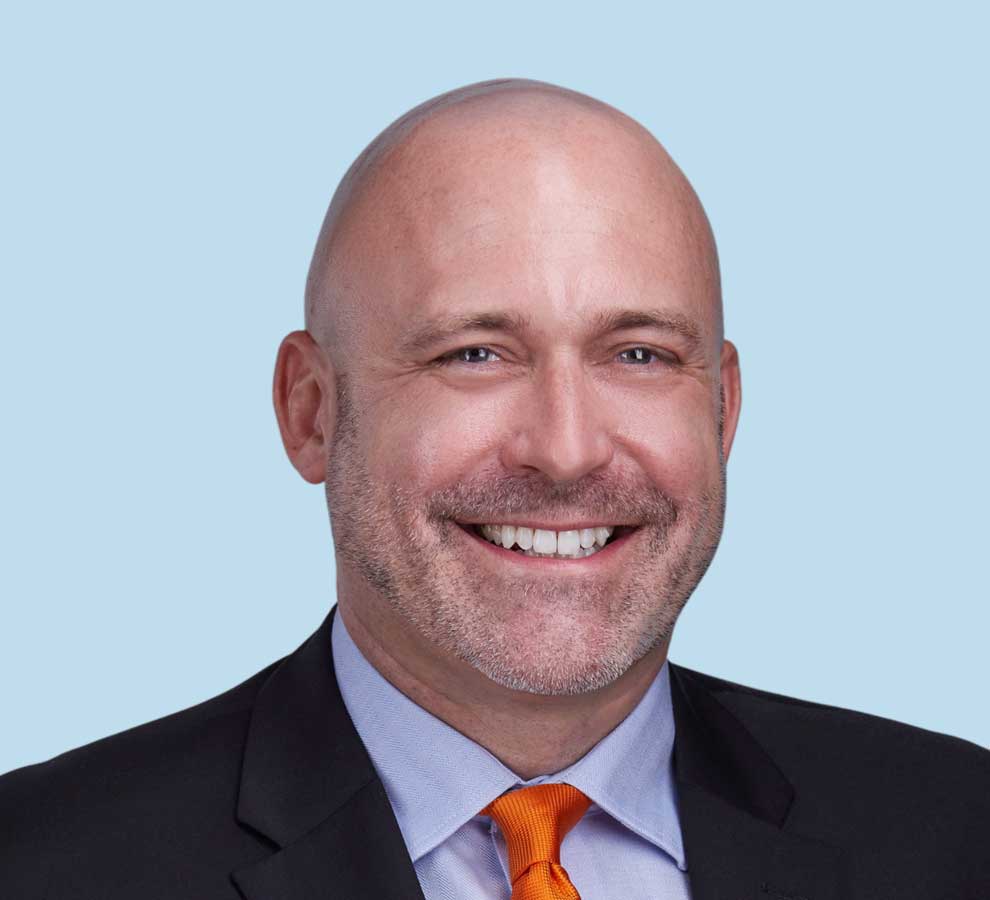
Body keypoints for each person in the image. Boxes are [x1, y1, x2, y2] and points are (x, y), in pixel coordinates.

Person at [1, 78, 987, 900]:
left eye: (638, 354)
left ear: (721, 412)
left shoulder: (958, 838)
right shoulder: (44, 864)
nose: (564, 451)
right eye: (474, 353)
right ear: (310, 411)